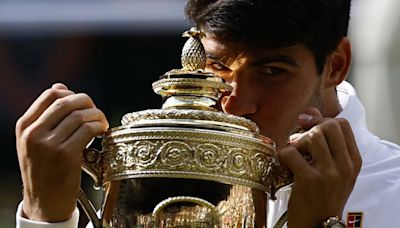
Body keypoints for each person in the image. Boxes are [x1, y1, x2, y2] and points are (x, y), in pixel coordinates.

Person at [14, 0, 400, 228]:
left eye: (271, 72)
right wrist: (45, 213)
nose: (234, 102)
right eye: (217, 67)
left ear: (335, 65)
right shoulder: (159, 169)